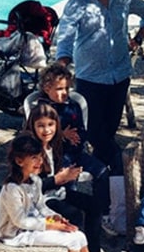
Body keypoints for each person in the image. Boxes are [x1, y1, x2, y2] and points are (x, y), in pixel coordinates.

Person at [55, 0, 144, 236]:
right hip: (89, 81)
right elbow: (65, 38)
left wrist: (137, 39)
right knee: (101, 142)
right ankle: (113, 204)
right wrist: (62, 63)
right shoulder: (77, 3)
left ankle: (105, 206)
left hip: (120, 77)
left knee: (105, 139)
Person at [0, 133, 103, 252]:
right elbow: (20, 221)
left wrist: (55, 217)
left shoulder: (34, 181)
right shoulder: (12, 188)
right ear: (20, 161)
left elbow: (40, 206)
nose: (39, 161)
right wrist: (50, 225)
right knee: (72, 241)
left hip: (34, 228)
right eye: (34, 158)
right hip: (17, 235)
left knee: (79, 236)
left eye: (40, 157)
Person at [24, 103, 123, 252]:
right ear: (32, 126)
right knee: (74, 215)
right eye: (40, 125)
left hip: (57, 192)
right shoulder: (29, 150)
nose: (46, 130)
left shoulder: (54, 145)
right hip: (39, 200)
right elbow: (28, 187)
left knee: (94, 205)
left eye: (50, 125)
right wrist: (58, 179)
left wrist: (67, 174)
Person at [36, 63, 110, 223]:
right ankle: (69, 216)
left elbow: (83, 130)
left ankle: (103, 212)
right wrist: (61, 134)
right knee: (69, 180)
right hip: (57, 155)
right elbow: (37, 134)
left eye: (66, 89)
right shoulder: (43, 109)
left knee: (103, 171)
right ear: (47, 88)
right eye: (59, 89)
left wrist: (77, 137)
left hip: (77, 151)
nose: (64, 93)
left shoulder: (73, 105)